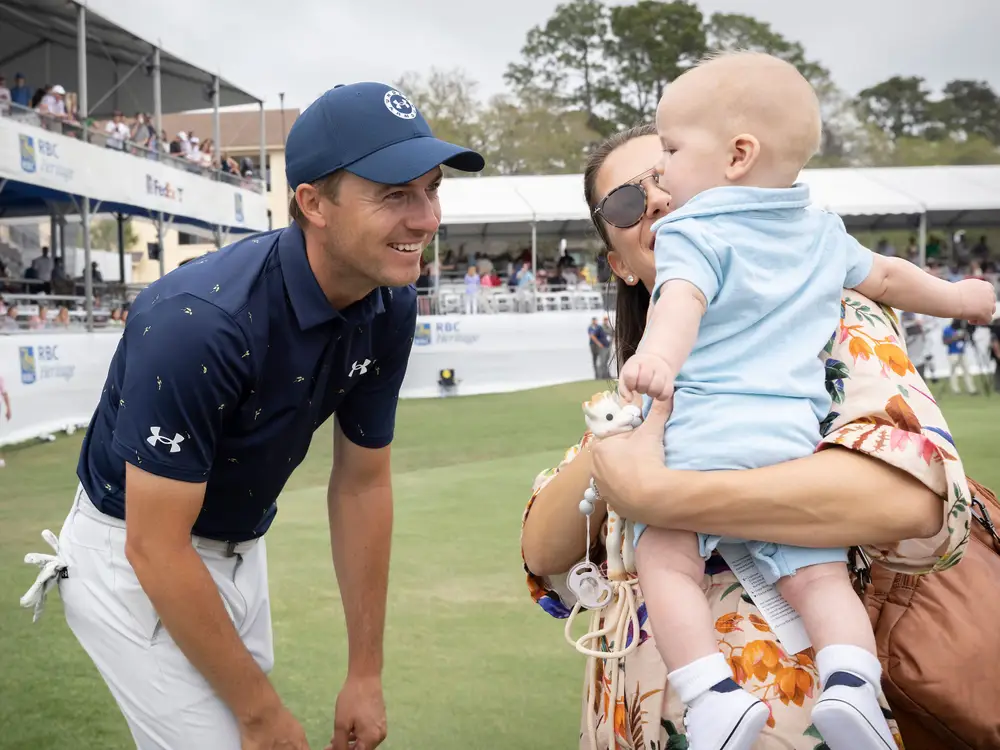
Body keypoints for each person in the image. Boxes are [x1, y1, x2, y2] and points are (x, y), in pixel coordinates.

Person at [20, 82, 484, 750]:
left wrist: (365, 672)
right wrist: (263, 715)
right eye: (394, 194)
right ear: (312, 204)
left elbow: (362, 484)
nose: (427, 219)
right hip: (135, 559)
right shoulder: (198, 322)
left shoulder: (390, 304)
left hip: (241, 549)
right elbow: (154, 545)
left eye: (431, 189)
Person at [520, 124, 971, 750]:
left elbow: (920, 498)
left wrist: (661, 494)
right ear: (619, 264)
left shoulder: (830, 312)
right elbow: (547, 557)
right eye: (625, 202)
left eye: (668, 172)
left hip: (796, 714)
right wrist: (614, 444)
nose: (653, 198)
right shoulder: (642, 376)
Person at [615, 53, 990, 750]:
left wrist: (659, 358)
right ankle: (853, 686)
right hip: (791, 444)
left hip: (701, 440)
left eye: (669, 149)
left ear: (737, 155)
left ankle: (710, 698)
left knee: (665, 559)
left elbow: (681, 299)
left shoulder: (695, 229)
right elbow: (888, 274)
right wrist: (960, 299)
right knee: (818, 580)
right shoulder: (820, 231)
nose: (661, 173)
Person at [942, 318, 979, 395]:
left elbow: (966, 339)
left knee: (967, 370)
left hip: (962, 352)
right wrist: (955, 337)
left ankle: (971, 389)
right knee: (953, 372)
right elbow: (945, 341)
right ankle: (955, 390)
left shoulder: (963, 329)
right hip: (952, 353)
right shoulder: (947, 329)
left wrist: (965, 336)